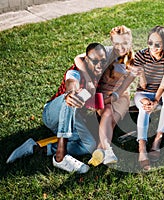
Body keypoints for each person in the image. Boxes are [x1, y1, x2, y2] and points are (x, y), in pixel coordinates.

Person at [6, 43, 108, 174]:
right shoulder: (75, 71)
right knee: (73, 97)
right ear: (86, 60)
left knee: (89, 146)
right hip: (52, 114)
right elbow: (71, 83)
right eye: (95, 61)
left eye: (103, 61)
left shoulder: (98, 78)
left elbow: (99, 109)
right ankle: (60, 156)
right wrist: (70, 93)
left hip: (73, 119)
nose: (99, 64)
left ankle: (36, 148)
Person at [74, 25, 137, 166]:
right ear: (112, 42)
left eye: (125, 43)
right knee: (107, 112)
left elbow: (120, 91)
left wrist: (108, 99)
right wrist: (88, 79)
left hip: (119, 95)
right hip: (101, 92)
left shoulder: (133, 63)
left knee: (112, 120)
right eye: (116, 43)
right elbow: (78, 58)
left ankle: (99, 150)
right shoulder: (106, 52)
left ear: (131, 42)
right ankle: (107, 150)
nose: (121, 47)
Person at [133, 26, 164, 171]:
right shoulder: (141, 55)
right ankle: (142, 146)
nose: (153, 47)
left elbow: (163, 84)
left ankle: (157, 140)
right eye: (150, 43)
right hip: (143, 93)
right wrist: (142, 74)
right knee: (145, 106)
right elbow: (142, 84)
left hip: (159, 91)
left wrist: (156, 100)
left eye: (158, 44)